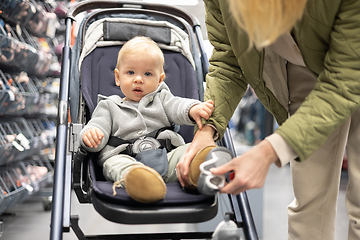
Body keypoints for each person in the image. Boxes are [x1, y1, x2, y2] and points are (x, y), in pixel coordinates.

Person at [176, 0, 360, 239]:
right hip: (302, 69)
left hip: (352, 62)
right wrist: (206, 130)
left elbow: (345, 80)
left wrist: (268, 152)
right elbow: (229, 60)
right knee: (309, 205)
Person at [80, 36, 214, 204]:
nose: (138, 79)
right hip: (127, 158)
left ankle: (195, 171)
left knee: (190, 150)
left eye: (148, 74)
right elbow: (97, 126)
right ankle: (139, 181)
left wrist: (193, 109)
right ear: (117, 77)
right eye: (130, 72)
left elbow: (177, 106)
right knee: (113, 163)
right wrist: (91, 136)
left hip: (167, 158)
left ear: (159, 80)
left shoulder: (162, 98)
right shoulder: (108, 106)